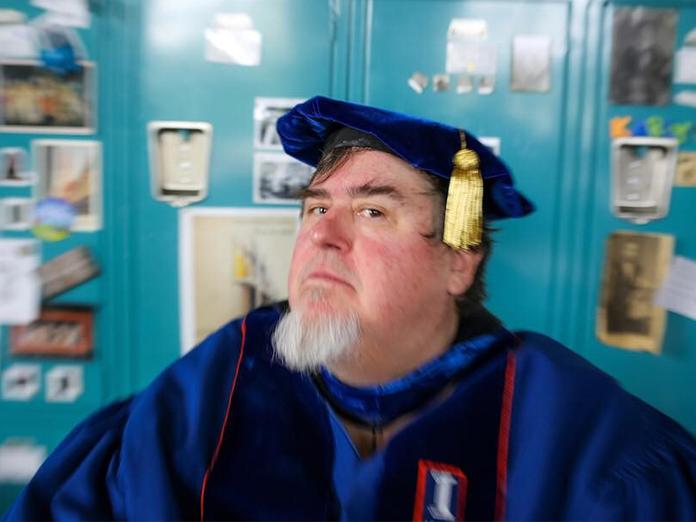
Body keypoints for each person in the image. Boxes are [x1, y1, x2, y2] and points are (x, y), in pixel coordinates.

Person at [3, 96, 696, 521]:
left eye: (372, 209)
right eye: (315, 208)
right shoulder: (218, 379)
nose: (323, 236)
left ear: (460, 260)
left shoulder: (592, 450)